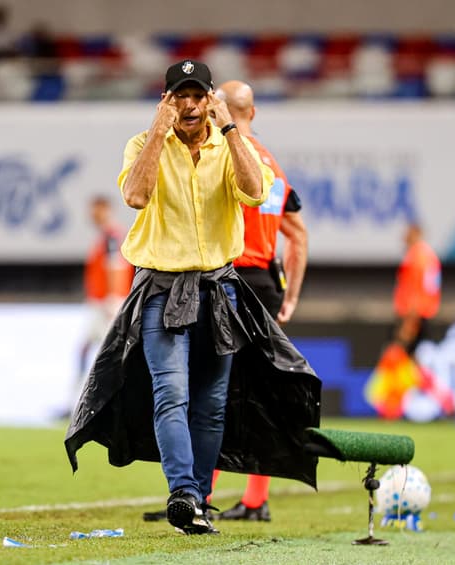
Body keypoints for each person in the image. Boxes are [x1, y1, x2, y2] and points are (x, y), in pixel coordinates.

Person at [65, 60, 322, 537]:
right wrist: (156, 130)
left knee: (212, 404)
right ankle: (182, 491)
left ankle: (198, 501)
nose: (188, 104)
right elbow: (137, 196)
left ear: (209, 100)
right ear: (166, 101)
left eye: (196, 95)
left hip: (219, 287)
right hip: (162, 288)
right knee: (172, 393)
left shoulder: (230, 145)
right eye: (178, 96)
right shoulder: (143, 146)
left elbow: (252, 189)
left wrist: (229, 128)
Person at [141, 79, 309, 523]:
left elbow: (249, 198)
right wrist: (290, 291)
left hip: (235, 276)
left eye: (205, 101)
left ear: (221, 108)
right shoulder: (270, 160)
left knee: (218, 394)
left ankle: (208, 494)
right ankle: (215, 495)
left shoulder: (236, 154)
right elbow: (297, 232)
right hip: (258, 280)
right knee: (247, 392)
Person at [68, 196, 133, 413]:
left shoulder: (112, 238)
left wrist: (114, 299)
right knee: (89, 350)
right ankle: (82, 400)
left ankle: (109, 402)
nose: (93, 215)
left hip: (106, 305)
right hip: (102, 304)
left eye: (97, 209)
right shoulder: (107, 237)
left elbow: (116, 267)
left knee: (109, 353)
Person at [393, 223, 441, 358]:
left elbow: (416, 290)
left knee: (406, 356)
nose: (403, 238)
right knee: (418, 356)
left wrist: (410, 322)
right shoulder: (428, 255)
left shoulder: (417, 257)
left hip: (415, 315)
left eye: (407, 234)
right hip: (423, 314)